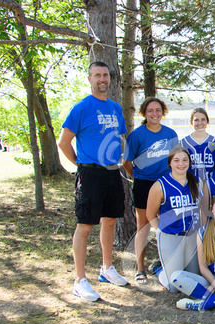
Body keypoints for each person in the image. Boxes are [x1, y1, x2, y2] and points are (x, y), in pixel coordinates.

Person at [58, 61, 128, 302]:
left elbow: (118, 137)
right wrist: (80, 164)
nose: (102, 79)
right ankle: (79, 280)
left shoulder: (116, 108)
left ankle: (106, 269)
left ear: (110, 79)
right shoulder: (81, 108)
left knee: (109, 221)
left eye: (105, 75)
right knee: (85, 225)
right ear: (89, 79)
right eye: (97, 75)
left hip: (112, 172)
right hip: (90, 173)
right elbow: (63, 142)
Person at [123, 97, 178, 284]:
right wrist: (138, 178)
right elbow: (127, 163)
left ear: (163, 112)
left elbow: (175, 161)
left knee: (166, 226)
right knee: (143, 227)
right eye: (150, 111)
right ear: (144, 113)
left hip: (165, 184)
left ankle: (164, 264)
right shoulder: (137, 135)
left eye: (158, 110)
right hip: (144, 185)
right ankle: (140, 268)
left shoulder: (170, 134)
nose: (154, 114)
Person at [146, 146, 206, 292]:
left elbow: (203, 210)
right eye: (176, 160)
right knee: (174, 287)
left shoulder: (197, 182)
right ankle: (159, 270)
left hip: (192, 236)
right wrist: (161, 231)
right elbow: (150, 214)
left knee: (194, 279)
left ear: (189, 163)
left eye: (185, 160)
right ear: (170, 163)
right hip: (171, 236)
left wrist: (201, 231)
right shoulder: (160, 185)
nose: (181, 164)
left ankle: (170, 268)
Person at [180, 108, 215, 181]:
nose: (200, 123)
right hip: (190, 184)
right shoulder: (183, 142)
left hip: (210, 184)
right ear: (191, 122)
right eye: (196, 120)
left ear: (207, 121)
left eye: (203, 119)